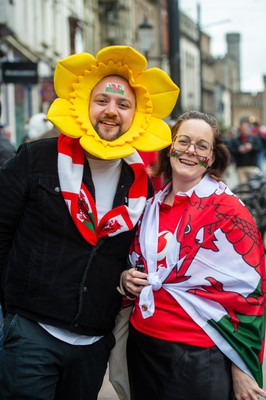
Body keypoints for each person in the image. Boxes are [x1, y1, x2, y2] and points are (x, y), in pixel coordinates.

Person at [0, 45, 179, 400]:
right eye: (102, 101)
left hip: (93, 343)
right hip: (31, 336)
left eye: (123, 104)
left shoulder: (143, 186)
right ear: (84, 105)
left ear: (138, 115)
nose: (111, 111)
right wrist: (12, 314)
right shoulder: (36, 159)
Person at [120, 111, 266, 400]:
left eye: (202, 146)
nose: (190, 150)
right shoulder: (148, 206)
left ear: (212, 158)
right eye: (183, 141)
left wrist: (241, 367)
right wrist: (125, 277)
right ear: (170, 147)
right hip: (143, 347)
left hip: (198, 356)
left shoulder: (228, 210)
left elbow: (250, 291)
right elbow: (135, 262)